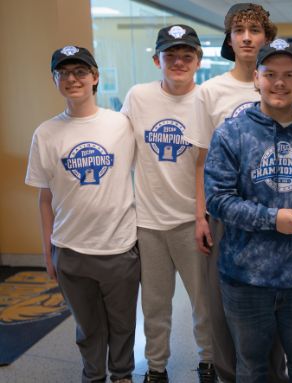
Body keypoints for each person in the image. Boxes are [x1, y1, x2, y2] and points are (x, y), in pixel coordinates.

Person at [204, 39, 292, 383]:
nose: (280, 82)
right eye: (271, 73)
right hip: (246, 277)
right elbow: (217, 199)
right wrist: (272, 220)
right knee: (251, 367)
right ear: (256, 79)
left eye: (289, 74)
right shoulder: (232, 132)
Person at [182, 4, 290, 382]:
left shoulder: (282, 83)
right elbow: (200, 161)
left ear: (267, 37)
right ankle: (229, 375)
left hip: (278, 214)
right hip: (227, 215)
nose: (247, 37)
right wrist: (201, 216)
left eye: (255, 30)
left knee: (277, 302)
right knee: (221, 305)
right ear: (229, 39)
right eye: (239, 30)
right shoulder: (210, 91)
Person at [25, 45, 139, 383]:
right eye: (64, 73)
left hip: (119, 247)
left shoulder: (121, 124)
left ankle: (121, 375)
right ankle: (93, 375)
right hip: (71, 250)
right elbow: (44, 199)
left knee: (122, 324)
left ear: (95, 78)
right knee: (88, 327)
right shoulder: (45, 133)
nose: (72, 79)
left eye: (80, 72)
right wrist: (49, 252)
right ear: (54, 79)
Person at [120, 24, 215, 383]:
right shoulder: (138, 97)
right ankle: (156, 368)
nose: (178, 61)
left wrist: (202, 214)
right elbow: (122, 153)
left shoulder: (205, 100)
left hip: (192, 220)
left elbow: (208, 164)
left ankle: (208, 361)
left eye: (186, 55)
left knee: (203, 304)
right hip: (148, 222)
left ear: (198, 60)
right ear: (156, 59)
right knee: (155, 305)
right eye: (170, 54)